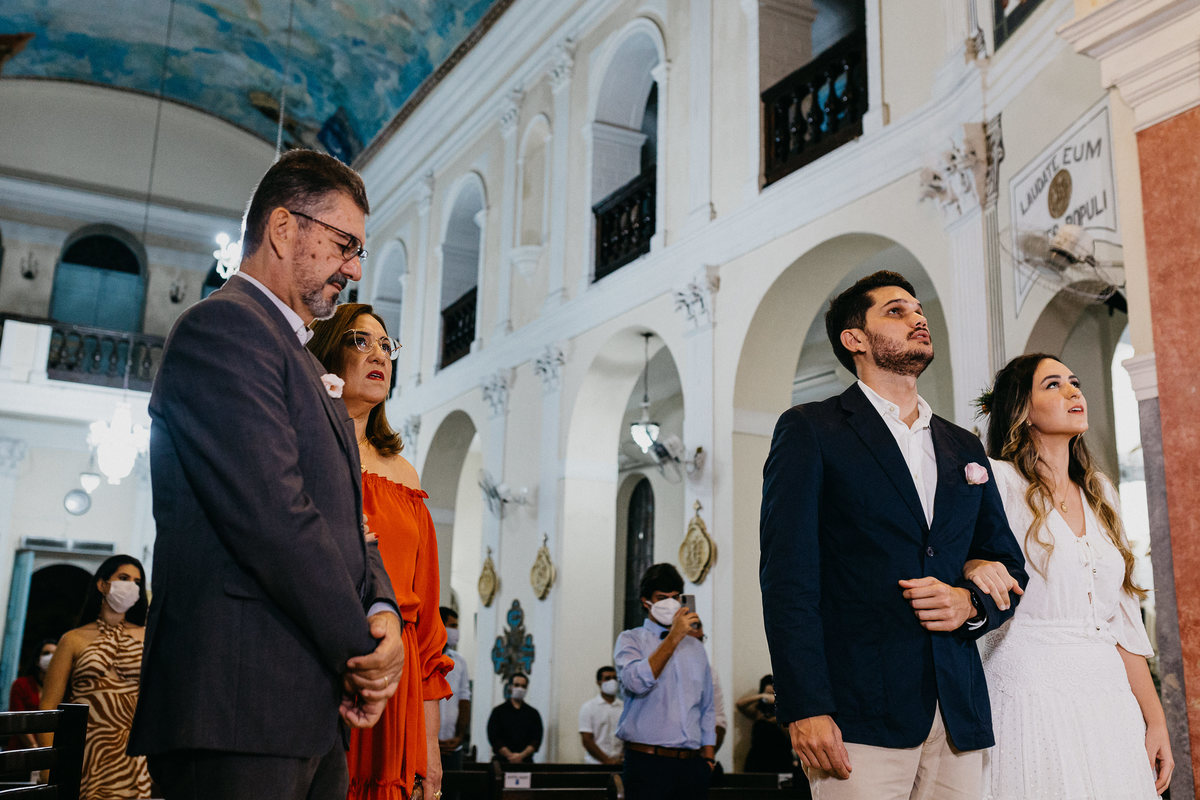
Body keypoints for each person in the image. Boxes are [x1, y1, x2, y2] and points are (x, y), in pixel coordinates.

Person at [130, 149, 404, 800]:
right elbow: (274, 518)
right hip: (233, 701)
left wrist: (384, 610)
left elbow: (350, 522)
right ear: (283, 228)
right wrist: (361, 651)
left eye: (358, 251)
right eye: (345, 244)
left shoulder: (307, 365)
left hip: (305, 707)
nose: (355, 268)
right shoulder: (223, 329)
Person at [759, 270, 1027, 799]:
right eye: (896, 310)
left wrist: (969, 603)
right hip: (858, 711)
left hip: (957, 711)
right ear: (854, 339)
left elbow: (1006, 564)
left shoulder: (963, 448)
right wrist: (806, 705)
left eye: (919, 309)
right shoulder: (812, 429)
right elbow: (787, 578)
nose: (918, 317)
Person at [971, 353, 1173, 798]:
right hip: (1029, 691)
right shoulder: (998, 481)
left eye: (1074, 381)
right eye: (1053, 385)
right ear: (1021, 410)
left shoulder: (1099, 491)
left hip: (1107, 697)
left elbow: (1121, 619)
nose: (1072, 391)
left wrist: (1155, 720)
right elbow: (964, 559)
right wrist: (972, 564)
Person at [308, 303, 454, 800]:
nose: (379, 355)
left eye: (386, 346)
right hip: (324, 665)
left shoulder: (404, 474)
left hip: (399, 680)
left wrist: (430, 745)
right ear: (328, 354)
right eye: (359, 341)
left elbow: (428, 623)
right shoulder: (303, 449)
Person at [40, 555, 152, 799]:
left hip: (132, 753)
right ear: (102, 584)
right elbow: (48, 706)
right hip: (83, 750)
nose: (130, 586)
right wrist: (51, 763)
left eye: (136, 582)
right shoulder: (73, 639)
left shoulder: (148, 637)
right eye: (123, 578)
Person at [614, 563, 715, 800]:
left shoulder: (696, 649)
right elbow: (636, 682)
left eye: (674, 597)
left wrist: (708, 757)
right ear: (645, 602)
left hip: (691, 764)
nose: (670, 604)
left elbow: (707, 707)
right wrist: (674, 637)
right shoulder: (630, 640)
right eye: (661, 598)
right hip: (647, 762)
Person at [736, 675, 793, 773]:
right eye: (768, 694)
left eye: (773, 694)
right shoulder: (758, 712)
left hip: (781, 759)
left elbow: (790, 736)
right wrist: (762, 696)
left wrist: (778, 717)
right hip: (758, 758)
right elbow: (740, 704)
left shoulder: (785, 713)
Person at [437, 607, 471, 773]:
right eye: (453, 625)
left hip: (453, 746)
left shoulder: (459, 661)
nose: (456, 631)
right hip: (426, 745)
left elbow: (464, 698)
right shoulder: (422, 656)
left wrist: (459, 737)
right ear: (440, 625)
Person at [8, 639, 55, 749]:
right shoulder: (22, 685)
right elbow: (18, 719)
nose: (51, 658)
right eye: (46, 653)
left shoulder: (59, 689)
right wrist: (34, 747)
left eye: (55, 654)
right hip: (21, 751)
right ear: (37, 660)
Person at [487, 674, 542, 764]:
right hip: (502, 762)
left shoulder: (533, 714)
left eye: (523, 686)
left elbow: (536, 740)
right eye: (516, 685)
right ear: (510, 687)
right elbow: (494, 737)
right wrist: (510, 756)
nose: (520, 689)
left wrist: (521, 756)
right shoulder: (498, 712)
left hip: (526, 763)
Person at [578, 666, 623, 765]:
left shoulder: (623, 707)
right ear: (598, 682)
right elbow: (587, 740)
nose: (612, 681)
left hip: (620, 763)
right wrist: (607, 761)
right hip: (595, 764)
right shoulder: (588, 707)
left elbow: (627, 737)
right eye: (607, 678)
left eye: (614, 678)